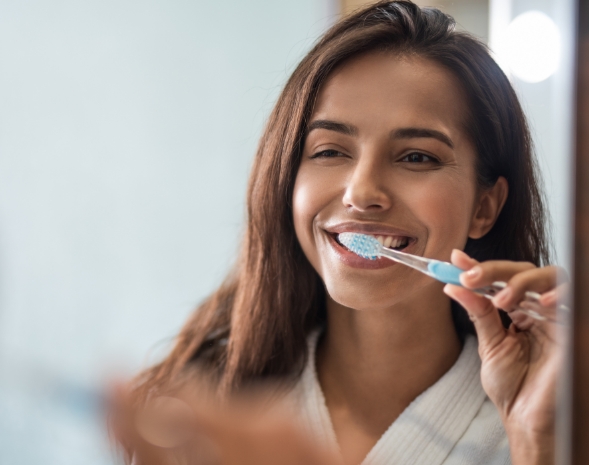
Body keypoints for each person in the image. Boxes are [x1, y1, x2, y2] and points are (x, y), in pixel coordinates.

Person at [112, 2, 566, 464]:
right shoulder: (200, 421)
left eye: (416, 157)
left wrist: (538, 444)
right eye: (329, 151)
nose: (363, 191)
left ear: (485, 207)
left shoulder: (546, 423)